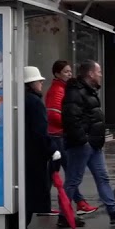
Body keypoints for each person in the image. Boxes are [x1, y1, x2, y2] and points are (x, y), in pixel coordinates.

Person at [61, 60, 115, 225]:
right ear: (90, 74)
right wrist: (84, 140)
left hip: (93, 144)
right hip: (83, 144)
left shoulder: (88, 91)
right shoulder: (76, 92)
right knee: (74, 179)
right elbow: (71, 119)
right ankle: (64, 214)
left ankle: (113, 210)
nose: (101, 75)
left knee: (102, 177)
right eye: (99, 72)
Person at [9, 66, 55, 229]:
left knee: (24, 192)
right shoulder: (34, 102)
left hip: (23, 152)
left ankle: (17, 227)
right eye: (38, 80)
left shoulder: (20, 100)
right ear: (30, 83)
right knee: (31, 193)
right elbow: (40, 131)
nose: (42, 83)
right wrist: (51, 149)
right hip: (33, 155)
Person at [45, 60, 97, 216]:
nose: (69, 74)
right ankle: (79, 203)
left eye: (70, 71)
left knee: (54, 172)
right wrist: (69, 125)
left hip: (56, 134)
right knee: (71, 172)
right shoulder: (59, 90)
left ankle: (43, 204)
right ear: (57, 74)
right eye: (66, 72)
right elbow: (54, 113)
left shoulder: (60, 88)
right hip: (58, 135)